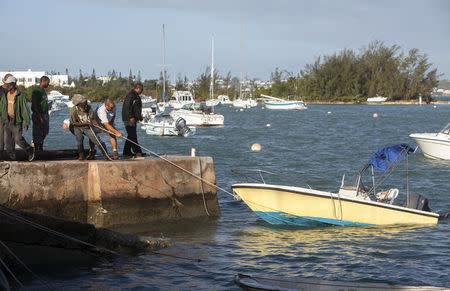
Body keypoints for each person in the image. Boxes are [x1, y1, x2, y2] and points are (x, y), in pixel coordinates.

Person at [0, 76, 34, 161]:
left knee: (18, 139)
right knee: (8, 143)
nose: (7, 86)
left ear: (14, 84)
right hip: (7, 121)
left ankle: (29, 149)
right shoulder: (6, 94)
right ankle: (12, 158)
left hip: (16, 121)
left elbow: (24, 109)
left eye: (9, 84)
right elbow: (2, 106)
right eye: (6, 84)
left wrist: (26, 122)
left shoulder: (20, 95)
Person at [69, 94, 109, 160]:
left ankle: (106, 156)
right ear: (78, 104)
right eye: (84, 102)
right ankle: (81, 155)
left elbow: (92, 119)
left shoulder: (88, 108)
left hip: (86, 127)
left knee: (96, 139)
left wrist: (101, 129)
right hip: (76, 126)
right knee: (80, 138)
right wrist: (86, 123)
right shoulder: (73, 111)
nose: (86, 103)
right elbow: (74, 123)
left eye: (86, 101)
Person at [122, 83, 144, 158]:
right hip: (128, 118)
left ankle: (126, 152)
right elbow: (127, 107)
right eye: (141, 89)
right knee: (133, 135)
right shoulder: (131, 95)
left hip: (133, 118)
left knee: (130, 136)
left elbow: (136, 108)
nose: (142, 91)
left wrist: (139, 117)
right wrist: (130, 117)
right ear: (137, 88)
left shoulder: (136, 96)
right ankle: (137, 152)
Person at [31, 76, 50, 151]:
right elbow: (34, 104)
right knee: (37, 132)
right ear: (44, 81)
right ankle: (37, 149)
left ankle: (40, 145)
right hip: (39, 114)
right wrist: (39, 116)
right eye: (48, 83)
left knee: (44, 131)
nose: (48, 85)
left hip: (45, 114)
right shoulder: (36, 91)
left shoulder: (43, 91)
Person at [0, 73, 12, 153]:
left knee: (9, 136)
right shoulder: (0, 90)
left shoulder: (11, 91)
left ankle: (9, 153)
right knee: (1, 136)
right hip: (1, 116)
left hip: (10, 116)